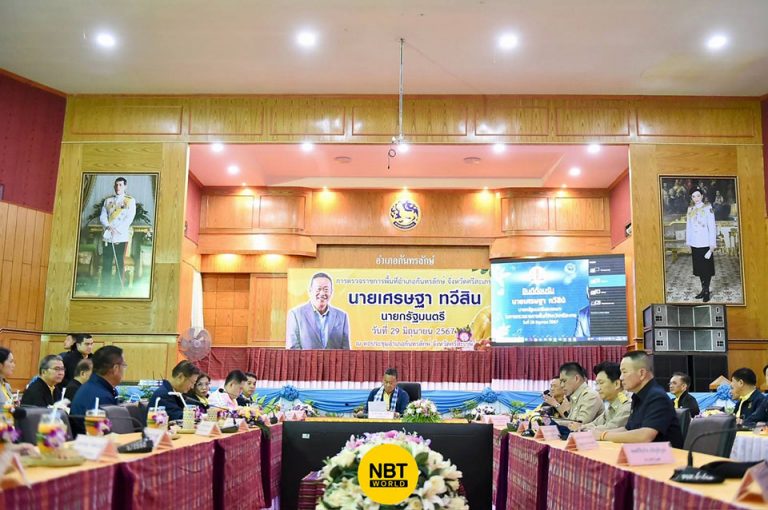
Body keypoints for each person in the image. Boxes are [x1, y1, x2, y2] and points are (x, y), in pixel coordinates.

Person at [593, 351, 683, 448]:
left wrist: (603, 435)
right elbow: (628, 429)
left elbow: (645, 436)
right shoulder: (638, 397)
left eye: (624, 372)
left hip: (665, 455)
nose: (621, 377)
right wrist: (596, 434)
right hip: (644, 452)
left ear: (641, 373)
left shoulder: (657, 396)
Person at [286, 272, 350, 350]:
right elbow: (293, 349)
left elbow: (346, 350)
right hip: (306, 358)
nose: (322, 293)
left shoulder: (342, 316)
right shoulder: (296, 314)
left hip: (335, 359)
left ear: (331, 292)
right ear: (310, 291)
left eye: (326, 289)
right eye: (318, 289)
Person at [71, 346, 126, 435]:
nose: (124, 369)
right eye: (124, 365)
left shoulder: (91, 386)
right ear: (116, 369)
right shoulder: (102, 396)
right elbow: (110, 434)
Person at [99, 176, 136, 295]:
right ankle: (105, 291)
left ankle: (117, 291)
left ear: (125, 186)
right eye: (116, 185)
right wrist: (108, 226)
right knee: (106, 263)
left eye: (120, 185)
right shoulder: (108, 201)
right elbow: (103, 216)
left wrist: (117, 230)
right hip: (108, 236)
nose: (117, 187)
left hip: (120, 236)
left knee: (119, 263)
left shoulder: (130, 201)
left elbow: (129, 218)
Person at [577, 362, 631, 432]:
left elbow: (610, 428)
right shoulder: (612, 405)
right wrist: (584, 427)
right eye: (597, 384)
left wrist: (586, 429)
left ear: (617, 384)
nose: (597, 388)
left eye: (601, 383)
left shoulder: (627, 406)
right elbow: (595, 423)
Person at [685, 188, 716, 302]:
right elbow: (688, 226)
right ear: (691, 198)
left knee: (706, 268)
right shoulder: (690, 209)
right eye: (693, 196)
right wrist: (688, 242)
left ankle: (706, 291)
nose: (696, 198)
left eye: (698, 196)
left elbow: (712, 227)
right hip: (695, 243)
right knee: (699, 268)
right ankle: (703, 289)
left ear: (702, 196)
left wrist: (712, 244)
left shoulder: (708, 208)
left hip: (705, 243)